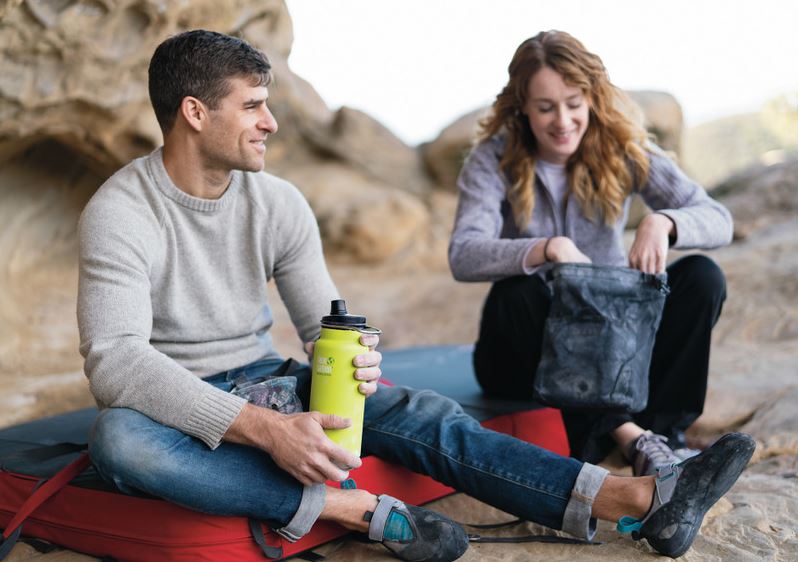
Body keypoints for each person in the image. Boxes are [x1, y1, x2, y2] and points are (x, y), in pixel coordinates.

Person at [78, 29, 753, 562]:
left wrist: (354, 355)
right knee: (119, 441)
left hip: (267, 380)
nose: (271, 123)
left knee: (423, 414)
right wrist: (264, 429)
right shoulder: (122, 211)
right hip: (170, 403)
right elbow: (116, 361)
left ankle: (633, 497)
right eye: (252, 105)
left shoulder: (278, 202)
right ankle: (355, 511)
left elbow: (324, 326)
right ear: (195, 113)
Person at [449, 30, 733, 475]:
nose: (562, 121)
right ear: (522, 106)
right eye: (546, 107)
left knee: (702, 275)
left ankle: (663, 436)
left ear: (591, 98)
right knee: (516, 292)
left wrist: (663, 222)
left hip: (614, 340)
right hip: (528, 349)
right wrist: (548, 248)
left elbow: (718, 218)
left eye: (573, 103)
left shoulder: (623, 147)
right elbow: (464, 253)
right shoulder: (493, 159)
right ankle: (631, 436)